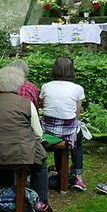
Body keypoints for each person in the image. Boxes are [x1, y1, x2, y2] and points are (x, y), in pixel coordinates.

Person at [0, 65, 50, 208]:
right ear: (19, 84)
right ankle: (40, 201)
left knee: (6, 157)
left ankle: (6, 195)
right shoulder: (26, 103)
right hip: (22, 153)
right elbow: (38, 133)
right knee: (41, 161)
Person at [40, 56, 87, 191]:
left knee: (58, 141)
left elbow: (45, 108)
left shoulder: (46, 87)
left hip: (48, 131)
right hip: (68, 132)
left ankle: (61, 172)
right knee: (77, 140)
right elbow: (77, 114)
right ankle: (78, 176)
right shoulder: (77, 88)